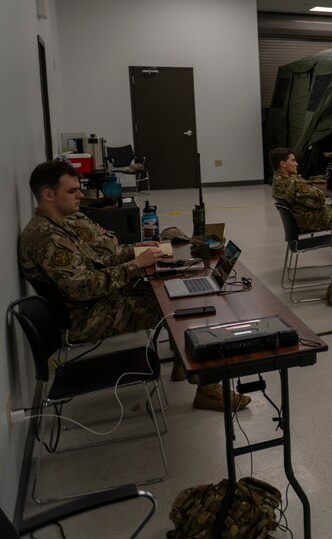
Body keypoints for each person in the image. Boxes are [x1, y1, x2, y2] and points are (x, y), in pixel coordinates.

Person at [18, 161, 248, 411]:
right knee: (180, 308)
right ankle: (206, 387)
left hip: (92, 304)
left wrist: (137, 251)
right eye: (72, 191)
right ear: (48, 195)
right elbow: (82, 287)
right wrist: (136, 265)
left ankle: (187, 356)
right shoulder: (48, 237)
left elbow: (100, 258)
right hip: (85, 316)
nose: (81, 195)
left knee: (173, 288)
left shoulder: (58, 225)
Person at [269, 148, 332, 233]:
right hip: (314, 219)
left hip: (299, 218)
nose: (296, 164)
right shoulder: (295, 183)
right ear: (283, 164)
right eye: (293, 161)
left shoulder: (277, 180)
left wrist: (310, 182)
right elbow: (320, 200)